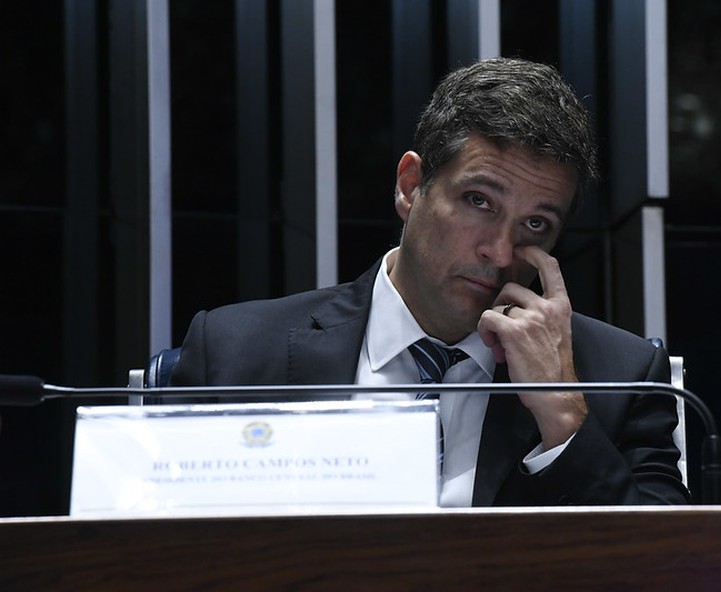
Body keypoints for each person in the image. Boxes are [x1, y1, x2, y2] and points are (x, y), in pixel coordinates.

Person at [170, 57, 690, 506]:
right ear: (411, 186)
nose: (501, 251)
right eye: (479, 201)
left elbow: (666, 569)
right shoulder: (236, 351)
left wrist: (564, 414)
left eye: (536, 224)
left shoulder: (620, 377)